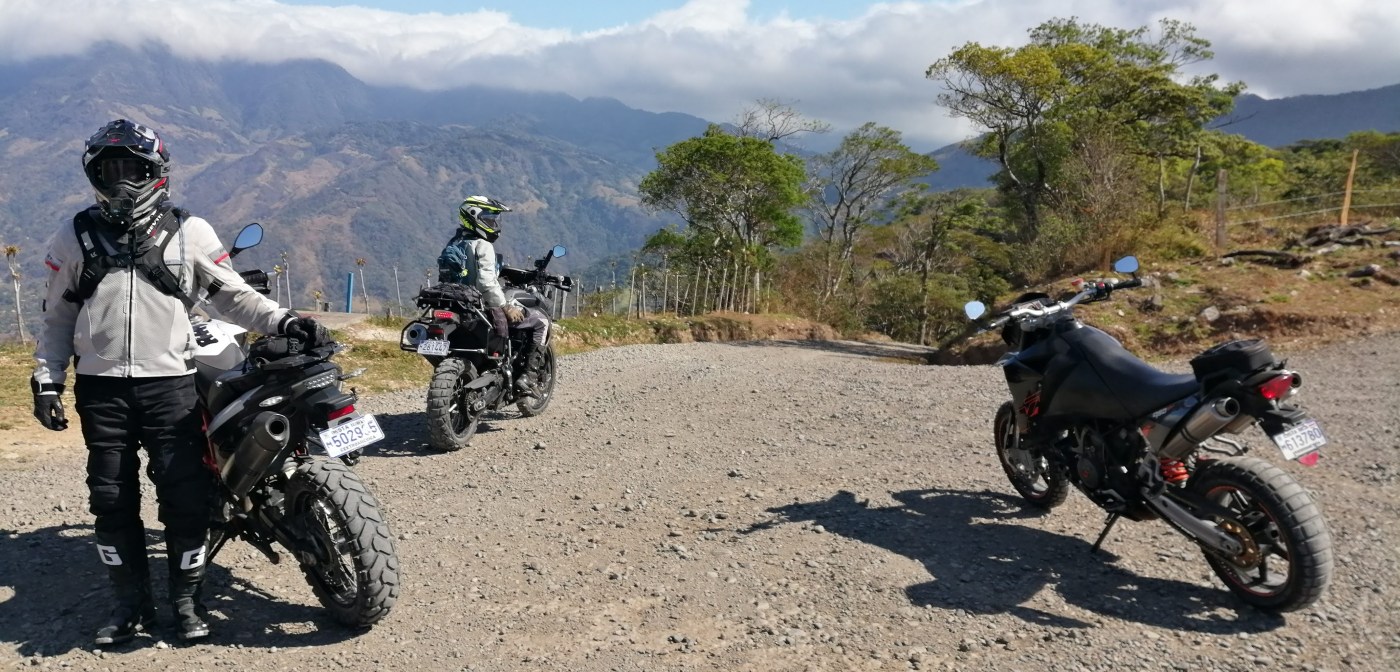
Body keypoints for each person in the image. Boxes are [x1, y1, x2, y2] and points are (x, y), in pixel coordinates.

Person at [30, 119, 329, 645]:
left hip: (171, 386)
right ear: (94, 175)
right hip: (101, 391)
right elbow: (57, 318)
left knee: (185, 497)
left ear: (157, 172)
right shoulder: (74, 235)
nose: (123, 181)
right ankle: (128, 606)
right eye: (110, 170)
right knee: (110, 499)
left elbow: (234, 296)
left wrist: (285, 321)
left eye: (134, 169)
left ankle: (188, 603)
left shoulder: (190, 231)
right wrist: (46, 380)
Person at [436, 195, 537, 394]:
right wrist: (505, 306)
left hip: (456, 303)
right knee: (537, 321)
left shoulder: (454, 242)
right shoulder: (483, 245)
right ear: (474, 217)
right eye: (489, 219)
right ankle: (525, 376)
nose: (493, 224)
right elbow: (486, 282)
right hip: (479, 306)